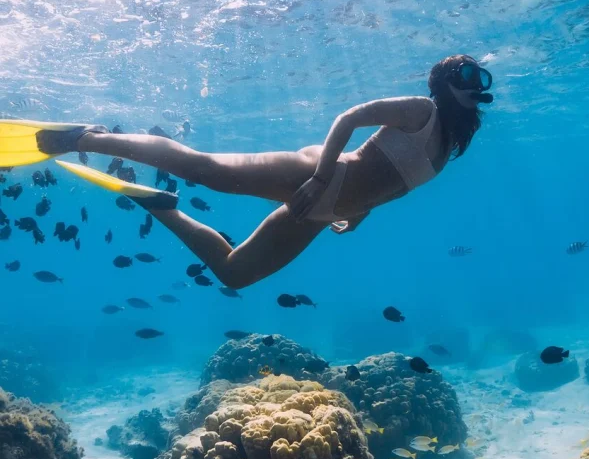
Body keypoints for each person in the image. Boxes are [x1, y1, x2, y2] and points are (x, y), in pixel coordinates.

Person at [0, 54, 492, 288]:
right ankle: (85, 136)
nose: (477, 84)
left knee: (235, 274)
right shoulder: (420, 110)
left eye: (481, 79)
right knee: (206, 169)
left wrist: (361, 210)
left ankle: (159, 206)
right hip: (318, 177)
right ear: (443, 85)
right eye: (467, 76)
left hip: (325, 210)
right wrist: (322, 177)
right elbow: (349, 120)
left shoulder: (449, 145)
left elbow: (393, 182)